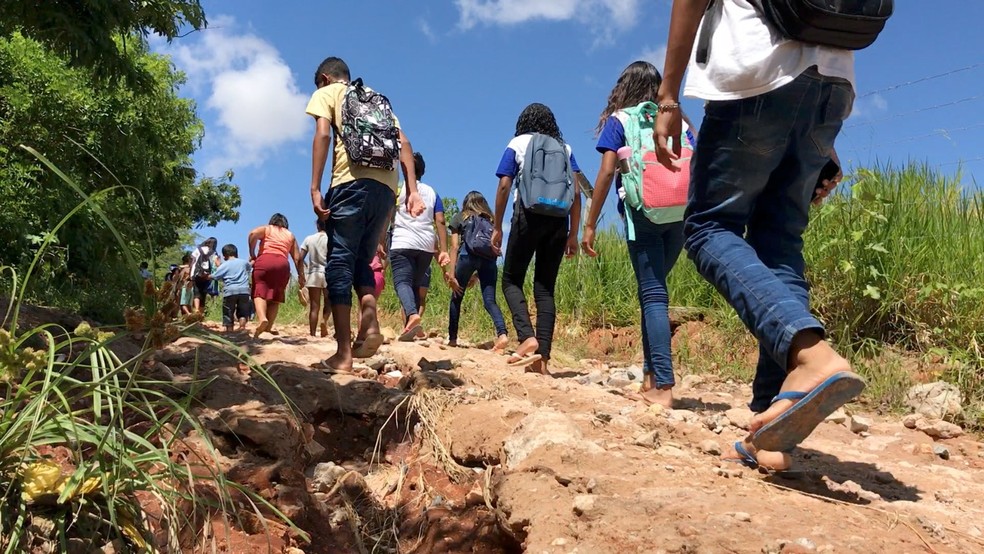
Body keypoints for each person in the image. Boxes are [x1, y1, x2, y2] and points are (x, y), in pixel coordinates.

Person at [654, 0, 863, 470]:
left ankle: (812, 354)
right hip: (833, 82)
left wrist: (669, 95)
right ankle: (772, 423)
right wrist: (821, 136)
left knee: (708, 228)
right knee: (780, 242)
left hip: (757, 70)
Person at [582, 60, 696, 408]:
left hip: (643, 214)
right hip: (680, 213)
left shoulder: (621, 120)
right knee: (655, 293)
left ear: (623, 89)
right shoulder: (679, 120)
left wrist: (589, 224)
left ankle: (663, 385)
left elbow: (604, 173)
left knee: (653, 295)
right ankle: (650, 376)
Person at [307, 56, 425, 371]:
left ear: (324, 78)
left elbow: (322, 135)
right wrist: (412, 191)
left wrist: (316, 188)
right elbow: (405, 144)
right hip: (386, 190)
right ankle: (370, 325)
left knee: (340, 262)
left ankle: (343, 354)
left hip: (351, 184)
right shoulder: (376, 99)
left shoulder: (328, 93)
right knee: (362, 260)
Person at [492, 103, 582, 375]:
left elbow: (505, 184)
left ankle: (527, 337)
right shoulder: (565, 149)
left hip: (528, 214)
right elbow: (576, 192)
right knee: (545, 288)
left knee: (510, 280)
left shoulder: (518, 143)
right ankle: (541, 358)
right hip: (558, 220)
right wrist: (573, 233)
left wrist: (497, 225)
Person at [389, 152, 451, 342]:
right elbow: (440, 220)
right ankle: (412, 327)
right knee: (415, 287)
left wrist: (378, 241)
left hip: (402, 241)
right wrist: (443, 249)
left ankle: (412, 316)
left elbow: (387, 215)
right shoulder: (432, 192)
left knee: (402, 283)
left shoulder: (398, 189)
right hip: (425, 245)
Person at [446, 191, 509, 351]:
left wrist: (451, 274)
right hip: (488, 260)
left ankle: (452, 339)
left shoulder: (461, 216)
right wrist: (478, 275)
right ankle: (502, 334)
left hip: (467, 257)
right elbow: (495, 247)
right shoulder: (492, 220)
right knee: (490, 300)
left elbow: (454, 247)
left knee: (456, 296)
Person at [248, 213, 305, 339]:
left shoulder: (267, 229)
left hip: (265, 260)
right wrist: (301, 276)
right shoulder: (290, 235)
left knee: (259, 292)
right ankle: (268, 328)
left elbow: (253, 233)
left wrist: (252, 253)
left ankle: (262, 319)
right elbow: (297, 258)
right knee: (276, 297)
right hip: (282, 264)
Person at [206, 244, 252, 332]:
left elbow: (215, 276)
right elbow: (249, 268)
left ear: (224, 255)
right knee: (243, 310)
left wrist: (207, 275)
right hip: (244, 290)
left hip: (230, 291)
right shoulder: (243, 262)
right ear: (236, 253)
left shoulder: (224, 265)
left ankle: (229, 329)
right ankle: (242, 327)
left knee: (228, 311)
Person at [300, 220, 331, 337]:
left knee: (314, 306)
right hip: (328, 273)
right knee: (329, 301)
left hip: (313, 274)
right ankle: (324, 320)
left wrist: (301, 273)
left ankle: (312, 333)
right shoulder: (331, 238)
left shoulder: (309, 239)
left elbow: (300, 258)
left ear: (317, 226)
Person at [190, 237, 220, 314]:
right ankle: (201, 313)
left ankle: (196, 309)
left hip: (196, 273)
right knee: (203, 293)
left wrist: (191, 273)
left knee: (196, 291)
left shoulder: (198, 249)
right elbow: (217, 263)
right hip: (206, 275)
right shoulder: (213, 252)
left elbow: (192, 260)